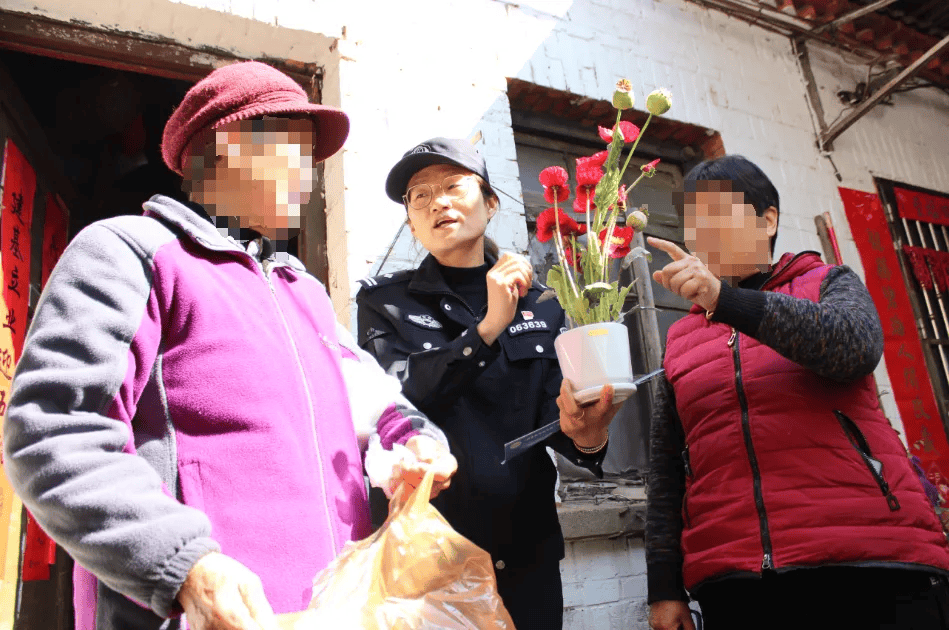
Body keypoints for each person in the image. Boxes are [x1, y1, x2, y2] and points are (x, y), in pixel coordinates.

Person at [2, 61, 456, 630]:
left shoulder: (304, 294)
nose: (309, 174)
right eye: (294, 151)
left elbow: (380, 401)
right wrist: (183, 563)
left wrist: (417, 444)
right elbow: (55, 428)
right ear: (226, 148)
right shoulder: (131, 253)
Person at [645, 155, 949, 630]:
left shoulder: (826, 281)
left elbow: (855, 348)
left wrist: (726, 301)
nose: (702, 233)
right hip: (739, 582)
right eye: (692, 221)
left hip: (869, 561)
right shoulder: (681, 339)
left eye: (717, 213)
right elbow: (666, 468)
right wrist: (663, 587)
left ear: (767, 220)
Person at [356, 137, 623, 629]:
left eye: (453, 186)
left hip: (526, 561)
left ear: (491, 202)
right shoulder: (384, 303)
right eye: (420, 196)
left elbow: (561, 424)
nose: (437, 203)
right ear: (411, 222)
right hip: (430, 564)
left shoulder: (542, 302)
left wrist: (590, 433)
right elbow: (395, 402)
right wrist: (485, 331)